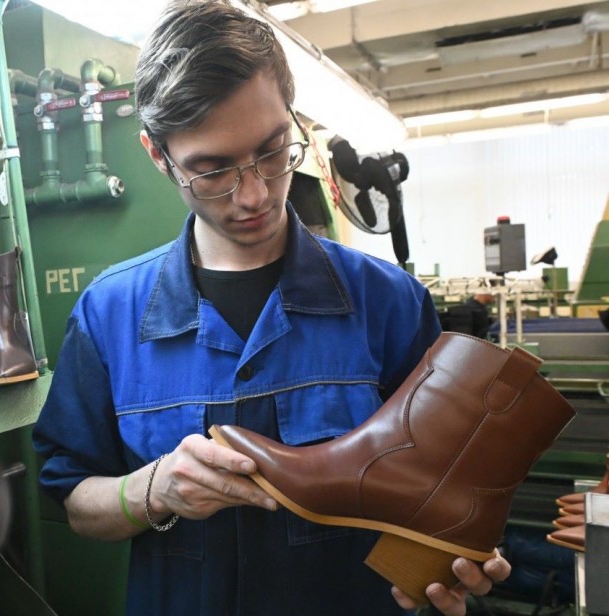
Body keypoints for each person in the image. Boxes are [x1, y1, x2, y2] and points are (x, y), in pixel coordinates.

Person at [32, 1, 511, 614]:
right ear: (158, 156)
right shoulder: (109, 315)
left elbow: (442, 487)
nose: (255, 194)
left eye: (272, 150)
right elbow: (76, 504)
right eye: (212, 171)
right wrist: (154, 489)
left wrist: (455, 555)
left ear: (293, 120)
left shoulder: (387, 302)